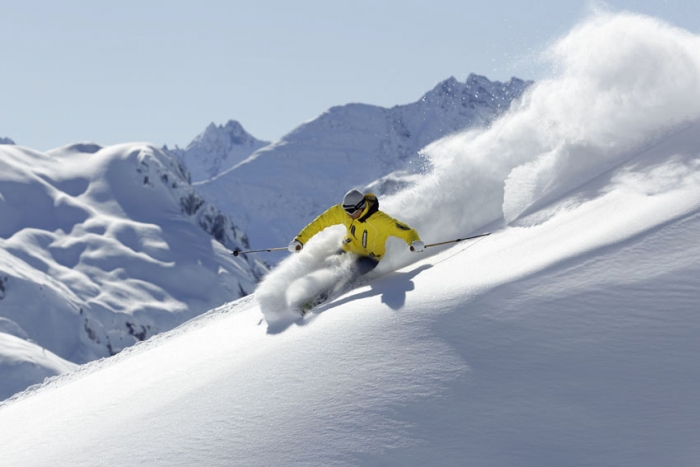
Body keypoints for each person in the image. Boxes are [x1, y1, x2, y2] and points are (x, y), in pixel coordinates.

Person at [288, 189, 425, 282]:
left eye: (351, 211)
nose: (348, 214)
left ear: (361, 206)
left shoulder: (380, 221)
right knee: (326, 266)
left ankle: (321, 301)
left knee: (347, 274)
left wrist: (414, 242)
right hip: (348, 248)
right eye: (346, 210)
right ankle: (308, 295)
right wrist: (300, 240)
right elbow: (319, 223)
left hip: (370, 258)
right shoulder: (343, 212)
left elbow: (407, 232)